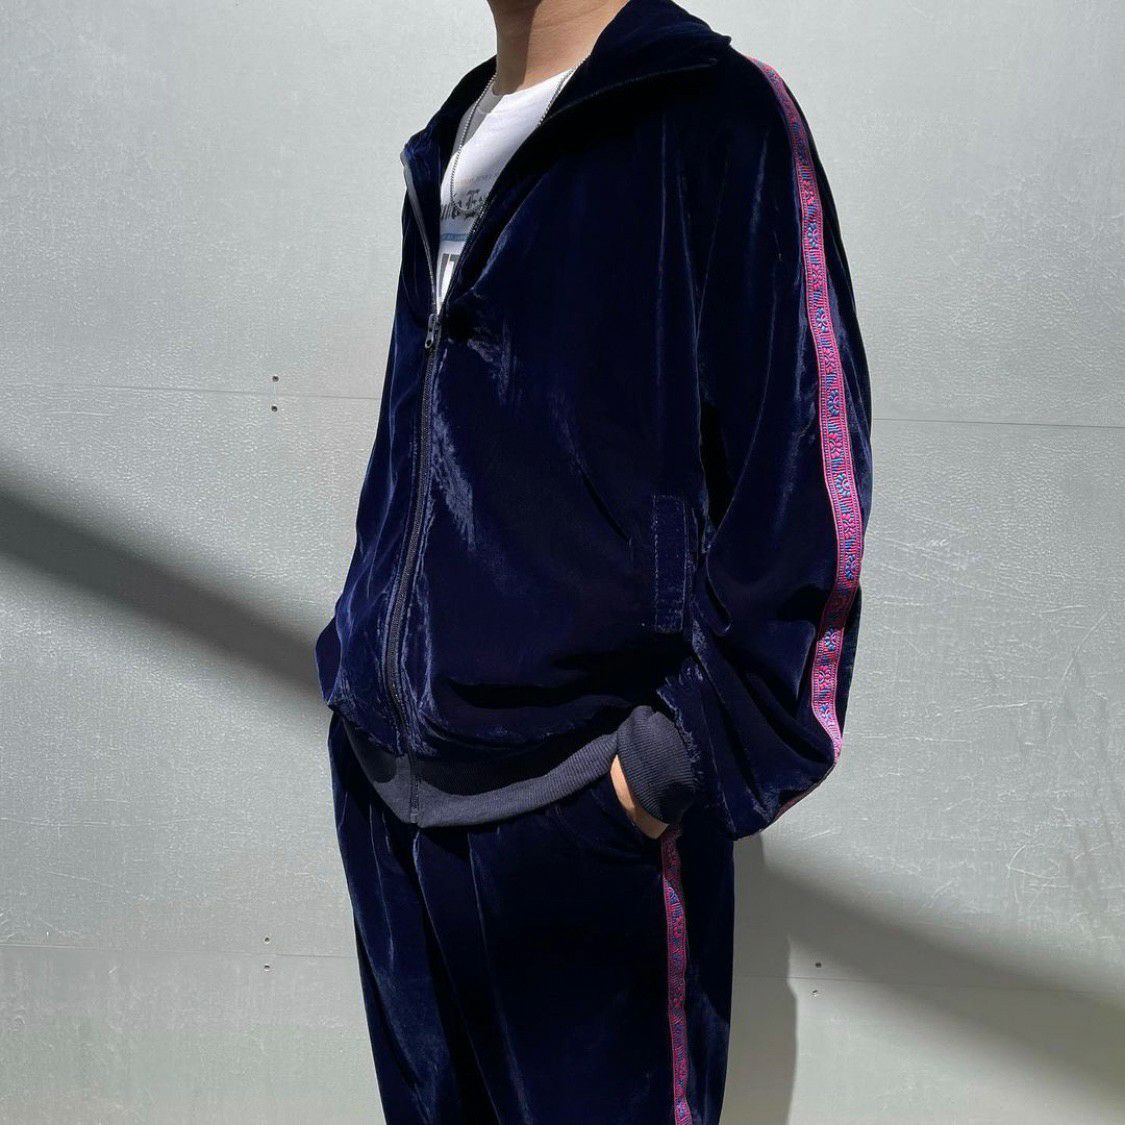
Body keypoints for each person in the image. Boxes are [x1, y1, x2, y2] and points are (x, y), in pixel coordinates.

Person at [314, 0, 873, 1120]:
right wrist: (357, 667)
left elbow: (806, 488)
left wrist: (663, 767)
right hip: (389, 787)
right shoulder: (454, 135)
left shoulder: (716, 115)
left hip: (578, 816)